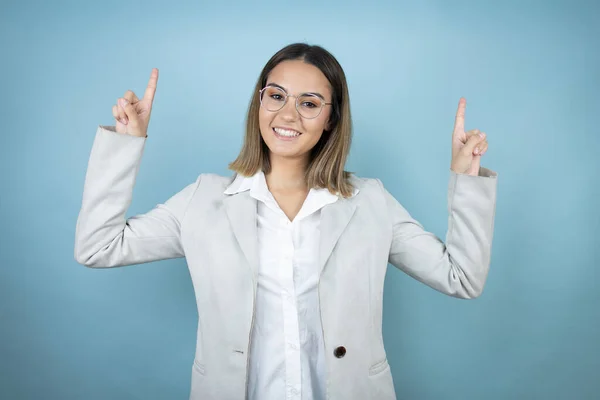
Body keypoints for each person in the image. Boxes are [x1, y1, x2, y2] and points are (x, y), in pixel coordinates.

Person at [74, 43, 497, 400]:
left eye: (309, 104)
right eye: (276, 96)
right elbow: (98, 246)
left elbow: (461, 277)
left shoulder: (370, 202)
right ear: (260, 101)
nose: (288, 115)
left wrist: (467, 179)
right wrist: (125, 145)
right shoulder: (202, 200)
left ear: (331, 119)